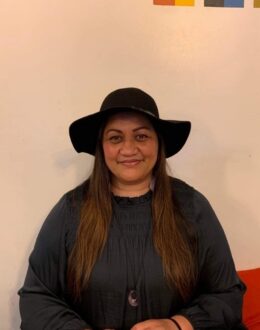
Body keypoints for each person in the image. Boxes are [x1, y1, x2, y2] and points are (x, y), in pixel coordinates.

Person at [19, 87, 246, 330]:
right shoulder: (71, 210)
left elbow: (228, 295)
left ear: (158, 143)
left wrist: (176, 325)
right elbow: (36, 298)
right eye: (115, 137)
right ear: (102, 147)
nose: (128, 149)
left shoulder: (192, 207)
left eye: (141, 136)